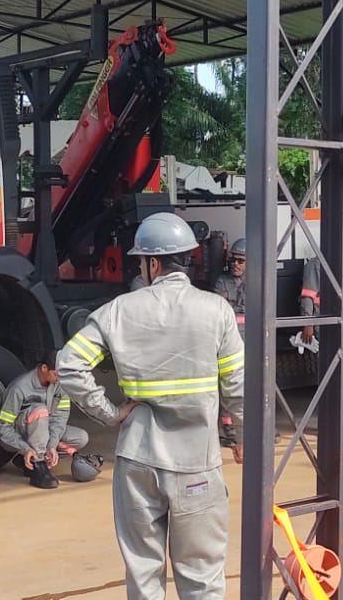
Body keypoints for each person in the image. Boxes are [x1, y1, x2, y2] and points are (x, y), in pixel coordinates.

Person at [56, 212, 244, 600]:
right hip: (196, 463)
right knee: (202, 577)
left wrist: (109, 413)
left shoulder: (118, 311)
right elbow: (238, 385)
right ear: (186, 259)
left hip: (137, 460)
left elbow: (69, 365)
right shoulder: (216, 311)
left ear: (152, 264)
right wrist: (241, 435)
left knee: (143, 575)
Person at [0, 361, 90, 489]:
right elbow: (3, 428)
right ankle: (38, 464)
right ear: (44, 368)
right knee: (40, 410)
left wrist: (52, 446)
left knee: (80, 437)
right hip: (19, 434)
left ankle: (26, 459)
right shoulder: (19, 387)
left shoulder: (60, 384)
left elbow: (59, 420)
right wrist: (25, 448)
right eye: (57, 373)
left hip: (42, 433)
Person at [211, 238, 247, 446]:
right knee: (227, 384)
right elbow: (220, 307)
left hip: (250, 341)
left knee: (251, 384)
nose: (235, 264)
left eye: (241, 261)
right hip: (228, 342)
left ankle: (250, 424)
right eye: (233, 260)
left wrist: (231, 302)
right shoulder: (222, 281)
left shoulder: (257, 281)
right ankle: (227, 427)